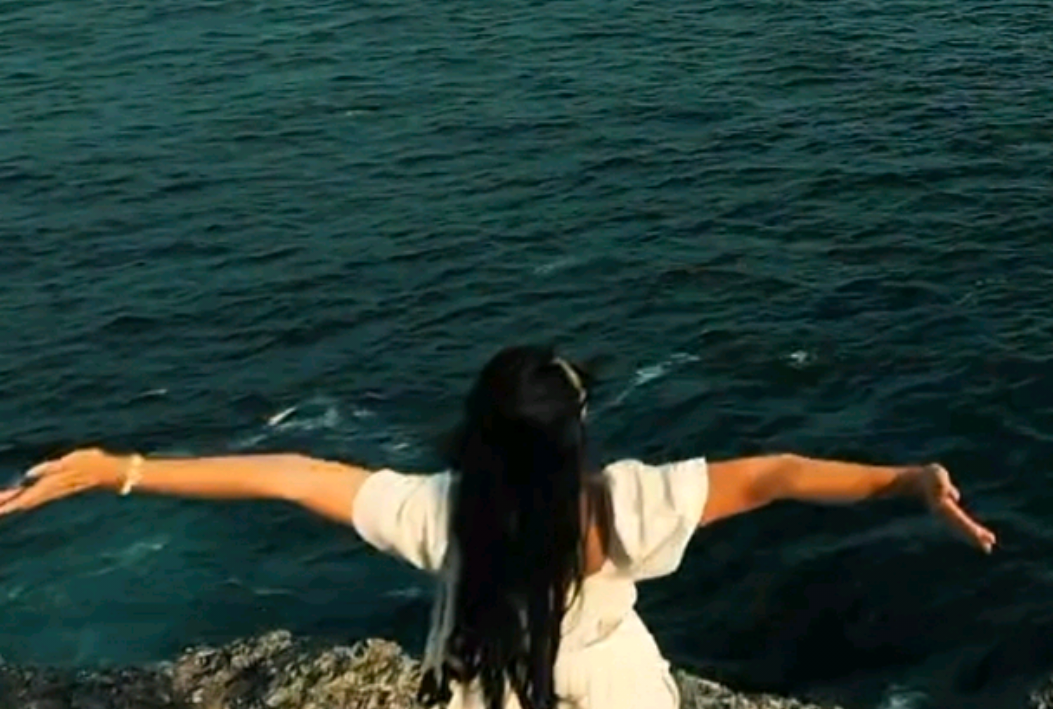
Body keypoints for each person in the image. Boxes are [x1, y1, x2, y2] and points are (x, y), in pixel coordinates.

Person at [0, 345, 994, 709]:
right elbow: (777, 474)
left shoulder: (441, 513)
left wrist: (119, 469)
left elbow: (292, 475)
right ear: (575, 440)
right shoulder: (623, 506)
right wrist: (904, 481)